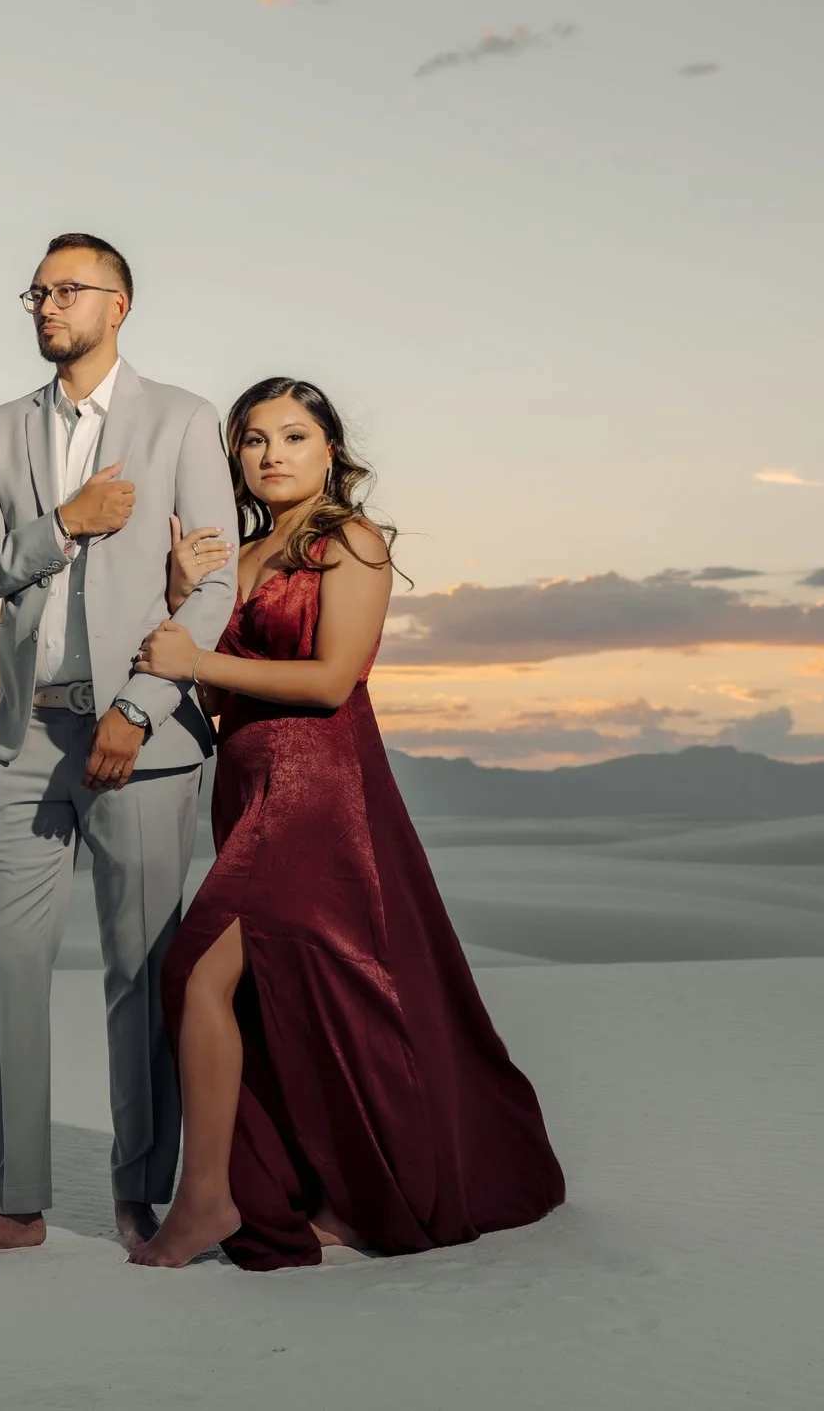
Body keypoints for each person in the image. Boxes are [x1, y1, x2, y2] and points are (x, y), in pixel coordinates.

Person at [125, 377, 564, 1269]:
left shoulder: (349, 543)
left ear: (332, 450)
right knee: (292, 996)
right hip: (247, 789)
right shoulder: (240, 556)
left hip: (315, 791)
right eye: (253, 439)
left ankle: (207, 1199)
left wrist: (198, 649)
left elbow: (332, 680)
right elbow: (213, 696)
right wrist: (183, 599)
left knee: (194, 973)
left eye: (294, 435)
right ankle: (340, 1194)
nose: (272, 453)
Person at [0, 232, 240, 1261]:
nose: (45, 305)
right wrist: (63, 523)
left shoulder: (184, 420)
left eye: (68, 290)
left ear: (121, 304)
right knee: (8, 960)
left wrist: (140, 705)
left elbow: (219, 584)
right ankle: (16, 1202)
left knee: (137, 969)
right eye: (37, 291)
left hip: (141, 734)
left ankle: (139, 1191)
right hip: (24, 735)